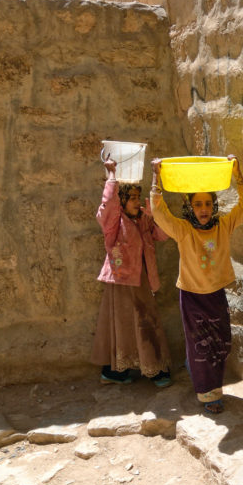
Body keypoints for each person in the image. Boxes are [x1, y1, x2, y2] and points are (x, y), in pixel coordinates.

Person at [150, 155, 243, 413]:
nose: (204, 208)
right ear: (190, 207)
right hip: (192, 297)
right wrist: (156, 177)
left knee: (222, 343)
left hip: (216, 295)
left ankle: (198, 372)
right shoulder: (184, 230)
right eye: (198, 204)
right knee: (201, 348)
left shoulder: (224, 226)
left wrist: (237, 174)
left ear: (214, 205)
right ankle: (209, 395)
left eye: (208, 203)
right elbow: (159, 213)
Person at [91, 157, 172, 387]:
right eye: (132, 198)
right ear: (122, 201)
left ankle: (153, 368)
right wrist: (112, 177)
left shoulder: (144, 221)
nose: (136, 202)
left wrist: (154, 214)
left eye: (138, 197)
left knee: (146, 323)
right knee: (123, 326)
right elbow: (106, 209)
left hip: (143, 282)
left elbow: (164, 235)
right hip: (121, 282)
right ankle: (116, 372)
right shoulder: (114, 224)